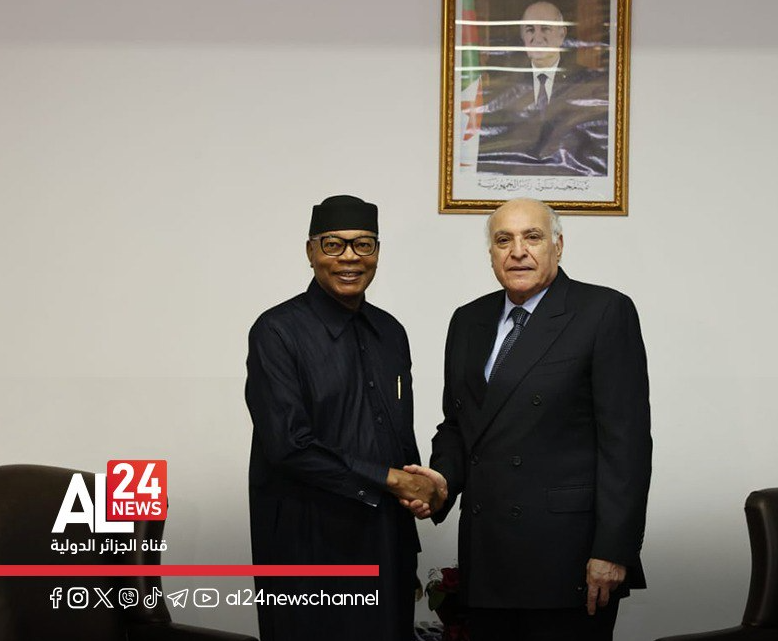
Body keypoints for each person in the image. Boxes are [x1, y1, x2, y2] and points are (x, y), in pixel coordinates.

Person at [405, 198, 651, 640]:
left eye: (532, 237)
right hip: (487, 553)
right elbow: (459, 425)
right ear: (491, 253)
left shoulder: (602, 311)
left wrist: (614, 550)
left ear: (558, 245)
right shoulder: (468, 320)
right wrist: (441, 480)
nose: (518, 251)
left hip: (569, 556)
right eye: (504, 240)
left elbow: (626, 443)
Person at [246, 195, 443, 641]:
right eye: (333, 244)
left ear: (377, 252)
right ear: (311, 250)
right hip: (307, 542)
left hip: (386, 538)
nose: (350, 257)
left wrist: (419, 493)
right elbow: (288, 446)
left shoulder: (391, 332)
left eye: (363, 244)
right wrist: (393, 480)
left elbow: (399, 437)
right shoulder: (277, 331)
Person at [475, 1, 610, 177]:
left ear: (562, 34)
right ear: (523, 37)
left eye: (545, 29)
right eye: (530, 30)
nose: (537, 38)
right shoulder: (504, 88)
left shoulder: (586, 83)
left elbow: (597, 155)